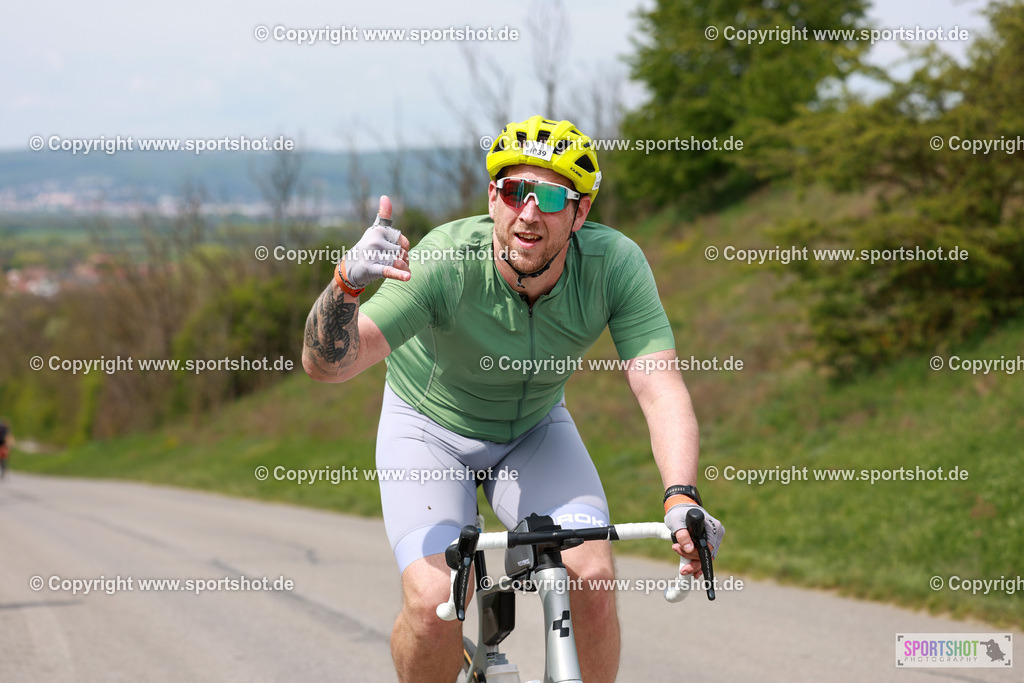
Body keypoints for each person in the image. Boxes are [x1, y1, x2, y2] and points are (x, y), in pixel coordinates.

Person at [302, 115, 725, 682]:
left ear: (580, 213)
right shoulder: (445, 262)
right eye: (513, 190)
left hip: (532, 430)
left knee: (592, 579)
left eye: (550, 196)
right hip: (428, 430)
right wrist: (346, 287)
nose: (528, 212)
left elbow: (659, 382)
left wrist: (680, 496)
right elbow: (328, 366)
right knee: (434, 606)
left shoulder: (614, 265)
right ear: (493, 198)